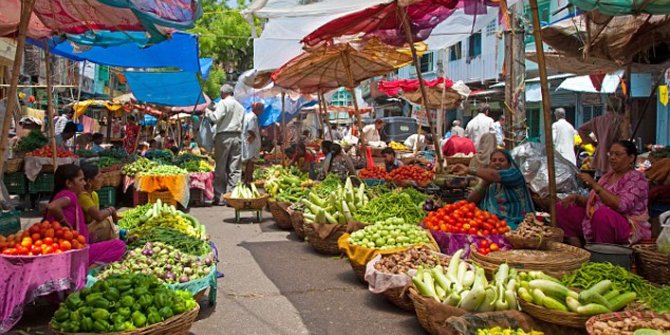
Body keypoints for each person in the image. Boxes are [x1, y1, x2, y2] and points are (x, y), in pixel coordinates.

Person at [556, 140, 650, 246]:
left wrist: (593, 184)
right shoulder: (607, 176)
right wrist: (578, 199)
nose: (612, 157)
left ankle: (601, 254)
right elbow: (596, 201)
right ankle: (577, 248)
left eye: (618, 154)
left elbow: (622, 206)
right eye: (611, 154)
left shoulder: (637, 178)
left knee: (602, 215)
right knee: (562, 207)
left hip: (627, 225)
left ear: (631, 158)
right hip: (597, 219)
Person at [45, 164, 126, 266]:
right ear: (69, 183)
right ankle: (86, 268)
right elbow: (52, 206)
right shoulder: (69, 195)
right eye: (81, 180)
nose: (84, 183)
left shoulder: (63, 195)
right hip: (73, 253)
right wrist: (65, 224)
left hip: (71, 248)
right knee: (119, 246)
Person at [450, 149, 534, 229]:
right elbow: (470, 201)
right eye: (493, 161)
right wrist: (484, 183)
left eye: (501, 160)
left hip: (514, 222)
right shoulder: (489, 179)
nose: (497, 163)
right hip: (490, 223)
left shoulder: (514, 174)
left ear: (509, 164)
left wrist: (468, 170)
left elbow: (495, 175)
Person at [206, 84, 245, 204]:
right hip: (237, 136)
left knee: (221, 167)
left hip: (223, 136)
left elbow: (215, 117)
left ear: (223, 93)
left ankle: (220, 196)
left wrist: (207, 112)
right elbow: (242, 123)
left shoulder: (223, 103)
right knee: (235, 168)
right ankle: (232, 196)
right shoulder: (240, 106)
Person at [578, 107, 625, 175]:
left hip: (601, 156)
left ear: (606, 108)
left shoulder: (598, 120)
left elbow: (581, 129)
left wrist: (592, 142)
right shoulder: (620, 120)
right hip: (616, 155)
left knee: (602, 180)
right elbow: (626, 136)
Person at [78, 164, 118, 243]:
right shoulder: (83, 196)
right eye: (99, 176)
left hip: (89, 229)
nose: (102, 179)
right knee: (105, 223)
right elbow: (98, 216)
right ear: (89, 181)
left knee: (107, 221)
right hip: (81, 234)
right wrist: (111, 209)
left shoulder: (94, 195)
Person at [241, 102, 262, 184]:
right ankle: (248, 180)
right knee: (250, 162)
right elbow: (251, 129)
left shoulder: (247, 115)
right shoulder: (253, 117)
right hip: (251, 144)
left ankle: (247, 179)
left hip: (247, 142)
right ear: (257, 109)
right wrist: (253, 136)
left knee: (248, 163)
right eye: (261, 110)